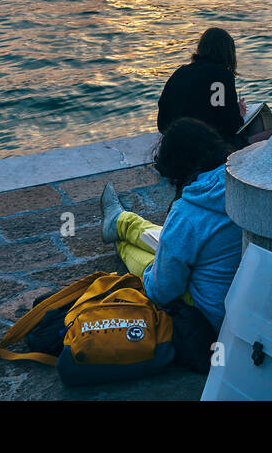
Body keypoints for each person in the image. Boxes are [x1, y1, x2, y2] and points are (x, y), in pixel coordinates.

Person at [98, 117, 243, 351]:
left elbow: (161, 291)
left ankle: (121, 237)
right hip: (245, 305)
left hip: (211, 316)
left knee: (155, 259)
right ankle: (119, 222)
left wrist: (151, 271)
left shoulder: (188, 211)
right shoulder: (244, 184)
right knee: (171, 241)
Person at [157, 27, 249, 148]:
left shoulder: (180, 72)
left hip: (174, 143)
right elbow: (228, 125)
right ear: (228, 52)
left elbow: (162, 120)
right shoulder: (221, 76)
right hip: (206, 148)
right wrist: (239, 114)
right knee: (267, 134)